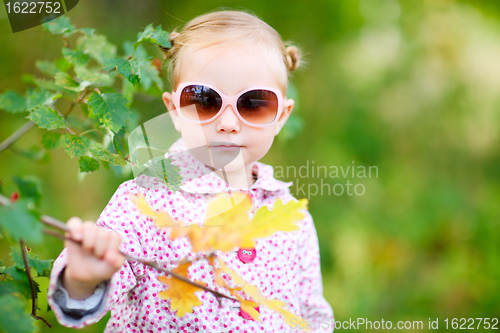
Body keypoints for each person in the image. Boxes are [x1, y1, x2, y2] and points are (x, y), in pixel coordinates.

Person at [47, 9, 334, 333]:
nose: (227, 124)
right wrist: (82, 280)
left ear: (282, 115)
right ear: (174, 110)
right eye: (204, 101)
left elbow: (312, 315)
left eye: (254, 103)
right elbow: (96, 285)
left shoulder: (292, 217)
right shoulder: (145, 202)